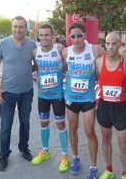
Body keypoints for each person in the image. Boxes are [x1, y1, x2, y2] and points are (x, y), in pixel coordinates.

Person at [0, 15, 37, 171]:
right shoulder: (3, 44)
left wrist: (25, 72)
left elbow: (37, 64)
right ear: (12, 27)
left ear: (26, 28)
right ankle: (4, 155)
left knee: (25, 123)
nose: (18, 29)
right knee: (6, 125)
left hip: (26, 92)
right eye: (15, 26)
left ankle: (23, 148)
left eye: (21, 26)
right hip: (7, 93)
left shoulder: (32, 44)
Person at [62, 22, 106, 179]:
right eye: (72, 36)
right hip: (71, 97)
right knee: (72, 128)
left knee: (89, 131)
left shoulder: (94, 49)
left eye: (79, 35)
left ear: (85, 35)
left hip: (88, 98)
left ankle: (93, 166)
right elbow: (64, 68)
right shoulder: (66, 52)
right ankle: (75, 158)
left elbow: (111, 56)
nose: (76, 39)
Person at [95, 32, 126, 179]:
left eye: (114, 43)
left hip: (121, 108)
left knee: (123, 144)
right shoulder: (99, 61)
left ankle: (125, 174)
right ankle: (109, 170)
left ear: (120, 45)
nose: (110, 47)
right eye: (107, 43)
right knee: (105, 139)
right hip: (104, 107)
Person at [31, 24, 69, 172]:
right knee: (44, 123)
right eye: (41, 35)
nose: (43, 38)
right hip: (42, 96)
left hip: (58, 95)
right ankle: (45, 151)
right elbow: (34, 68)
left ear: (53, 37)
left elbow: (69, 63)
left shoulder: (60, 50)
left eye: (47, 35)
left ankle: (65, 155)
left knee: (60, 125)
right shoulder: (35, 52)